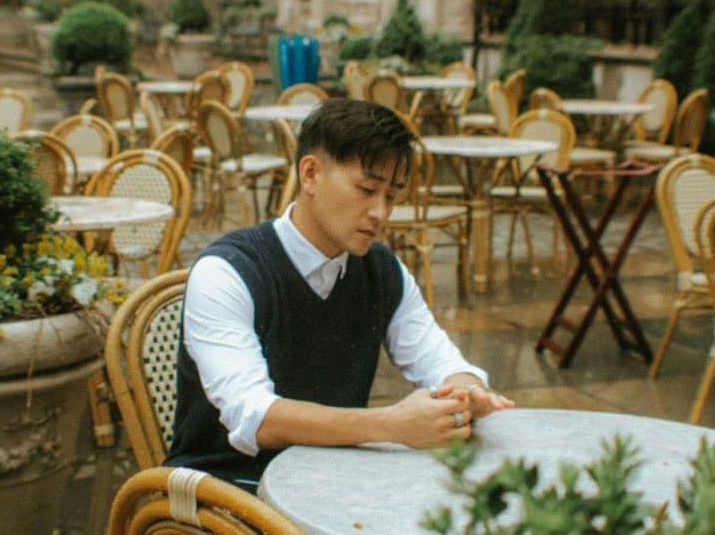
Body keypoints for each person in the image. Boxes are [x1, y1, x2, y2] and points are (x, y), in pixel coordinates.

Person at [165, 98, 513, 490]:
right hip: (226, 494)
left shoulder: (381, 271)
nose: (381, 213)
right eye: (367, 189)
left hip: (332, 486)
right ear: (310, 174)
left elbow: (439, 358)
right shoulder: (228, 273)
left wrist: (467, 392)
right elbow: (256, 418)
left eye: (392, 197)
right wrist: (392, 425)